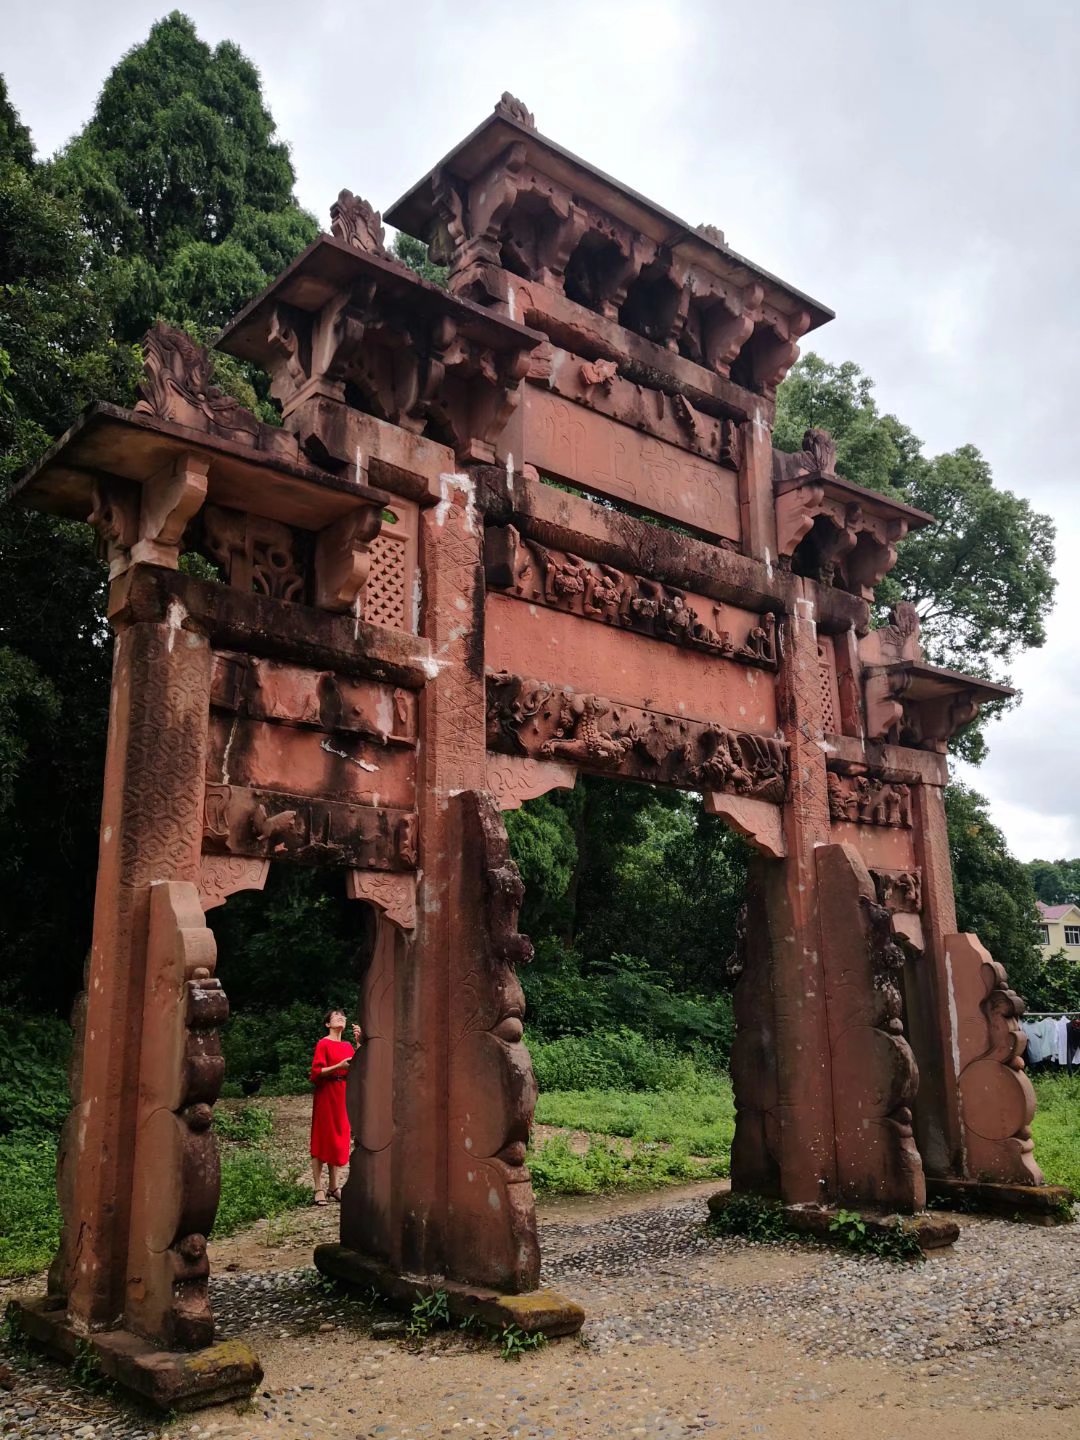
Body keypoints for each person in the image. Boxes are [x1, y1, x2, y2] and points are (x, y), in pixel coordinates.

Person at [309, 1008, 362, 1206]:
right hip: (326, 1092)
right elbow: (316, 1072)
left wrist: (359, 1045)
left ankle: (334, 1186)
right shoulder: (323, 1043)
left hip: (343, 1094)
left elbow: (360, 1067)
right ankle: (318, 1188)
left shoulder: (348, 1045)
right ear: (328, 1024)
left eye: (343, 1016)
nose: (341, 1018)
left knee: (339, 1138)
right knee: (322, 1138)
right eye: (336, 1016)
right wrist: (338, 1066)